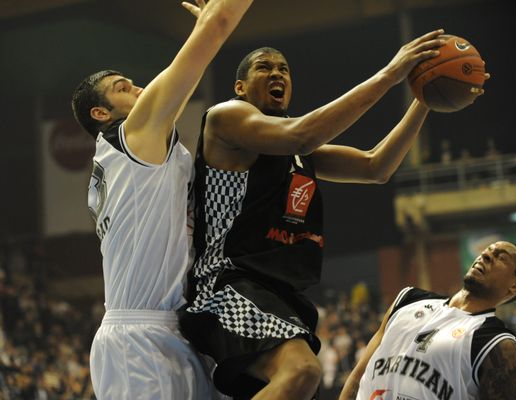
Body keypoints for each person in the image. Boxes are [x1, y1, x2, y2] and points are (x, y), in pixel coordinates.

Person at [178, 30, 489, 400]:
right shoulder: (226, 118)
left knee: (300, 380)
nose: (277, 73)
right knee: (302, 371)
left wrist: (425, 95)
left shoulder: (295, 148)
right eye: (265, 67)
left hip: (276, 292)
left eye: (284, 69)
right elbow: (302, 134)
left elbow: (376, 166)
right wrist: (390, 75)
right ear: (241, 87)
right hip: (225, 283)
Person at [70, 1, 253, 399]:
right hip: (138, 338)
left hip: (175, 327)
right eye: (122, 88)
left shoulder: (138, 151)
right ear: (101, 112)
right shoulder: (132, 136)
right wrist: (208, 22)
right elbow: (219, 26)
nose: (138, 88)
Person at [339, 240, 516, 400]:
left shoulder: (495, 342)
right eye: (487, 250)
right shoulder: (407, 299)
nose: (486, 255)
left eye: (500, 257)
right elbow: (357, 377)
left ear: (515, 287)